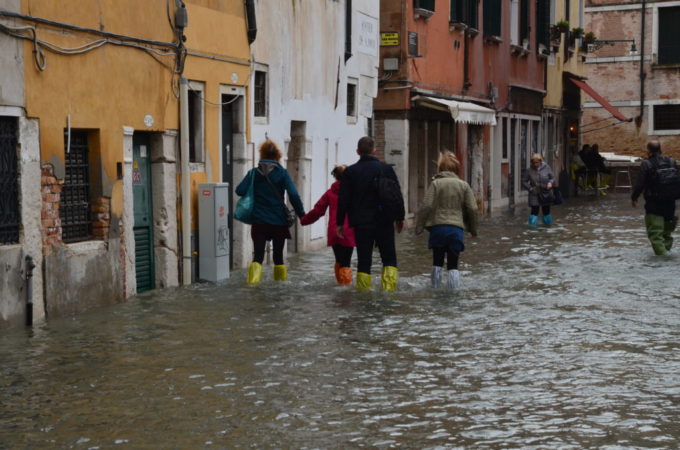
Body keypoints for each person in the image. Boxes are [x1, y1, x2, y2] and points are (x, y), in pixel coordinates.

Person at [336, 136, 405, 291]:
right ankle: (389, 291)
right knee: (389, 258)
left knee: (364, 260)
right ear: (374, 150)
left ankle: (363, 294)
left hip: (362, 223)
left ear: (358, 152)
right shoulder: (386, 169)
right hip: (384, 220)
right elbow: (396, 194)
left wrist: (340, 223)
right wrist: (400, 218)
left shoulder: (351, 172)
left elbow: (343, 199)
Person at [235, 140, 305, 284]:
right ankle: (280, 288)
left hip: (259, 221)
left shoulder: (253, 173)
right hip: (279, 221)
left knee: (258, 257)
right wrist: (302, 214)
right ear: (277, 156)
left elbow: (239, 190)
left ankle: (253, 288)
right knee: (278, 257)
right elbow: (293, 194)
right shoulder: (282, 173)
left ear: (262, 154)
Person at [415, 151, 478, 290]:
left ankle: (435, 289)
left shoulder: (436, 184)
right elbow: (472, 208)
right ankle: (453, 293)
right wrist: (473, 230)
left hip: (437, 229)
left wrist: (419, 227)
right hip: (456, 229)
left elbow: (426, 206)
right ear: (457, 169)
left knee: (437, 262)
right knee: (453, 264)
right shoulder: (464, 185)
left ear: (440, 168)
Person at [300, 165, 356, 285]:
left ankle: (340, 284)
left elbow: (318, 210)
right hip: (349, 231)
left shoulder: (330, 193)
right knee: (346, 262)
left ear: (335, 177)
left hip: (334, 231)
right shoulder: (354, 193)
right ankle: (345, 290)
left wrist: (304, 220)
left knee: (339, 260)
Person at [631, 140, 678, 256]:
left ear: (648, 151)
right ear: (660, 149)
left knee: (655, 234)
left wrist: (634, 197)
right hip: (670, 203)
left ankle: (664, 262)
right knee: (667, 233)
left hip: (654, 204)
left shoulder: (646, 164)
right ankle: (667, 254)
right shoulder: (672, 161)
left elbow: (640, 184)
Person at [522, 153, 555, 226]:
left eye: (537, 162)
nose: (535, 164)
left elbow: (552, 178)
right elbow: (524, 181)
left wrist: (550, 183)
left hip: (546, 192)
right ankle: (532, 228)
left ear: (540, 161)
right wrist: (530, 188)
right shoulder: (529, 170)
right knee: (534, 210)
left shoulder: (547, 167)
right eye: (533, 162)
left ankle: (547, 226)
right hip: (534, 193)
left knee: (546, 211)